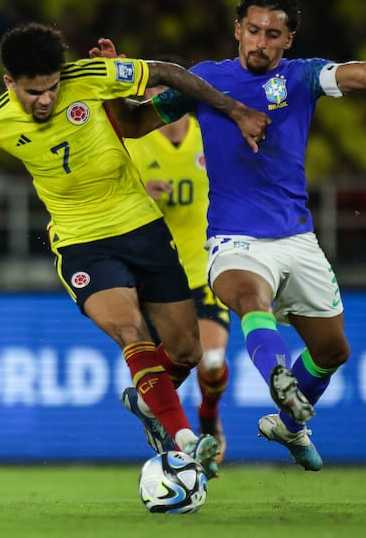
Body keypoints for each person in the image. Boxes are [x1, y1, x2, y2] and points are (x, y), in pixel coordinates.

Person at [0, 22, 271, 477]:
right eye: (33, 92)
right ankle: (184, 439)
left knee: (187, 352)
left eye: (52, 88)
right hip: (82, 244)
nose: (45, 100)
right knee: (131, 331)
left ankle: (146, 401)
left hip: (143, 229)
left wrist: (235, 109)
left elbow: (168, 72)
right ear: (9, 82)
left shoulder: (88, 77)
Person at [141, 0, 366, 470]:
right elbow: (134, 121)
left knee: (332, 351)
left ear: (288, 40)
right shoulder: (204, 81)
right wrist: (113, 83)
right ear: (237, 30)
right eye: (253, 30)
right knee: (250, 299)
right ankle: (278, 377)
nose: (260, 42)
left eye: (273, 34)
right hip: (234, 239)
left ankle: (288, 425)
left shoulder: (303, 76)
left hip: (297, 237)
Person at [125, 80, 231, 465]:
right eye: (153, 98)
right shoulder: (135, 140)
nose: (161, 106)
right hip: (156, 276)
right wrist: (139, 192)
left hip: (205, 270)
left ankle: (209, 414)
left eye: (167, 96)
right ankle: (181, 450)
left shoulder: (211, 134)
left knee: (212, 361)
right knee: (165, 370)